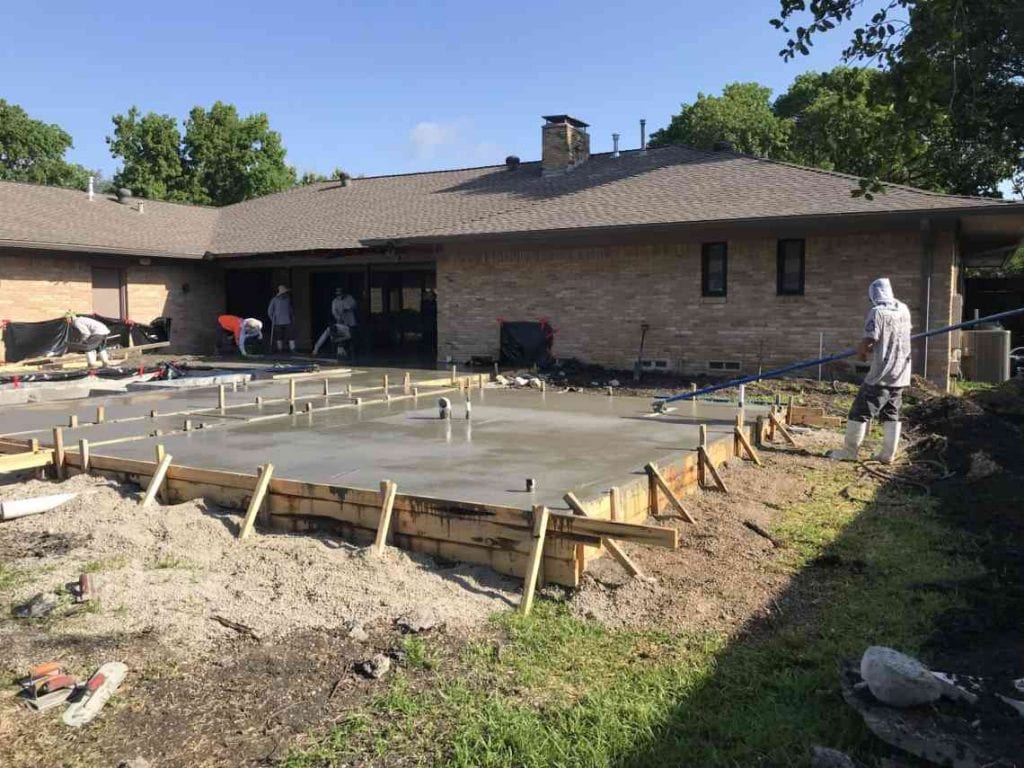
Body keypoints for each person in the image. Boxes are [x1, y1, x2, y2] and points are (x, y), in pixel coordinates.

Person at [829, 277, 912, 464]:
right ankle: (887, 455)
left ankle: (849, 452)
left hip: (882, 372)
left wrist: (862, 352)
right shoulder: (903, 309)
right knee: (891, 412)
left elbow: (869, 341)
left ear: (874, 295)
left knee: (859, 411)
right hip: (901, 372)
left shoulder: (877, 312)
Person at [267, 285, 296, 353]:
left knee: (290, 335)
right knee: (279, 336)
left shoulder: (287, 299)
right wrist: (272, 319)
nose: (285, 294)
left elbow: (290, 309)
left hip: (287, 321)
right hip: (277, 321)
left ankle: (293, 349)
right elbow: (270, 311)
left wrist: (292, 316)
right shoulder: (274, 300)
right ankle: (280, 349)